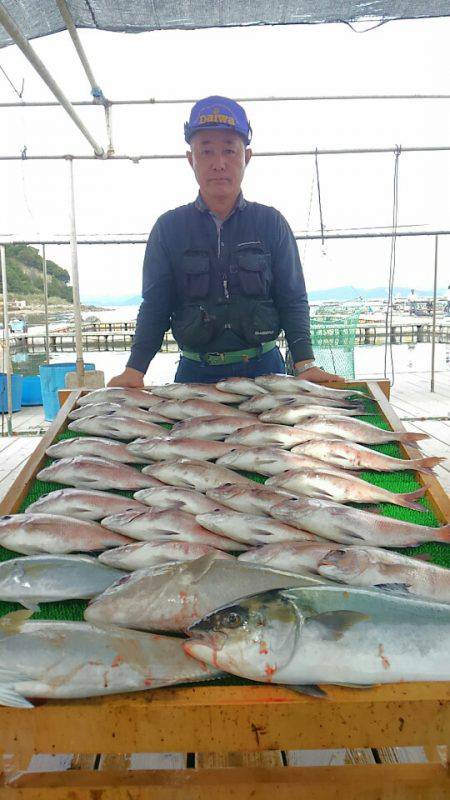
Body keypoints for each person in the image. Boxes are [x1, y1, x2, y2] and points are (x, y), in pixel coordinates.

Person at [109, 96, 343, 387]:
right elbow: (155, 305)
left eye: (229, 151)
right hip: (195, 376)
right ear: (190, 159)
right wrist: (135, 369)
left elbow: (293, 299)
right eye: (206, 151)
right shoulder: (168, 228)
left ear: (247, 157)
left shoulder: (272, 223)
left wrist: (305, 362)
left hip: (265, 371)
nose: (219, 163)